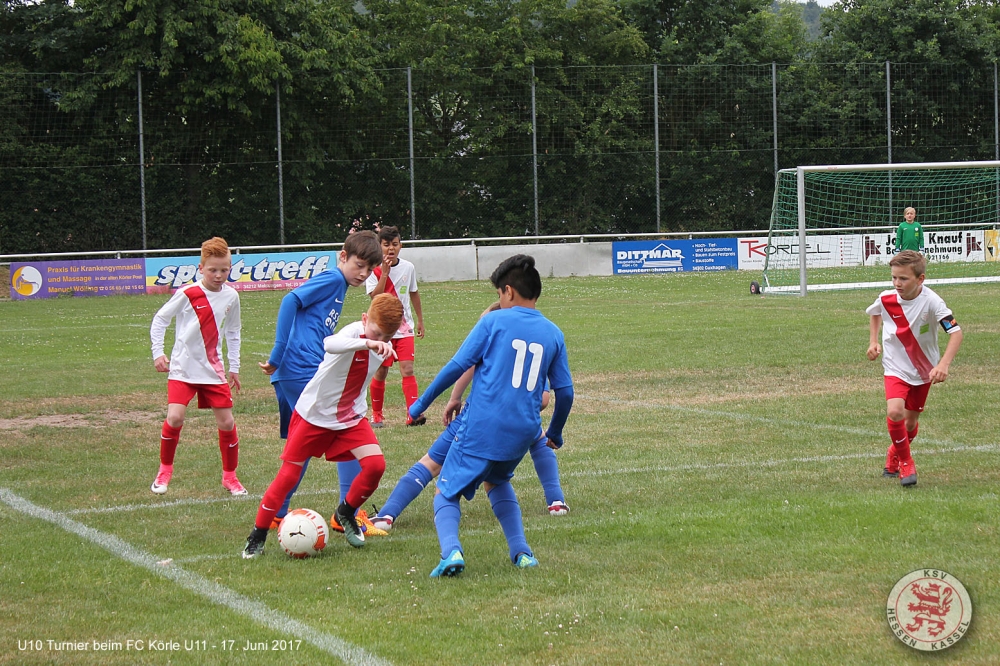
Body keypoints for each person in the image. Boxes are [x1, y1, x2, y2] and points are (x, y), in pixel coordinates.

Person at [407, 255, 574, 577]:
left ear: (508, 291)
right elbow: (565, 392)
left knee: (446, 491)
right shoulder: (553, 333)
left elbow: (457, 366)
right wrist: (555, 432)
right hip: (524, 431)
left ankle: (451, 552)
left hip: (482, 426)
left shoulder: (493, 322)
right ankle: (522, 553)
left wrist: (420, 404)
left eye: (499, 294)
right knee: (496, 481)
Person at [370, 303, 569, 532]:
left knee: (431, 465)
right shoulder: (529, 346)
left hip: (478, 422)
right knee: (528, 448)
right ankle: (555, 502)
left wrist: (432, 403)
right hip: (521, 424)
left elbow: (462, 366)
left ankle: (388, 515)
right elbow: (544, 398)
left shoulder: (497, 339)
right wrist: (458, 397)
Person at [243, 294, 404, 558]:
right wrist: (368, 342)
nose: (381, 340)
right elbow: (330, 343)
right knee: (288, 477)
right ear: (365, 319)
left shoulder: (384, 344)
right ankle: (257, 535)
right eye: (377, 333)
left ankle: (345, 513)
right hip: (314, 416)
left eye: (387, 337)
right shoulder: (353, 333)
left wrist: (381, 344)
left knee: (376, 466)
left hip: (350, 418)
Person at [258, 231, 384, 531]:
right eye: (359, 265)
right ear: (343, 256)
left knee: (300, 447)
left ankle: (278, 513)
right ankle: (348, 515)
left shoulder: (339, 284)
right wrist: (278, 352)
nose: (363, 273)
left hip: (294, 371)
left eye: (369, 269)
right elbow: (290, 300)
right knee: (344, 425)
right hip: (300, 368)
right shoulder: (332, 279)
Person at [149, 237, 245, 496]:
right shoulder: (188, 293)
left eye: (224, 270)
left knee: (227, 422)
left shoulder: (232, 296)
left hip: (213, 370)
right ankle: (164, 471)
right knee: (175, 417)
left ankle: (230, 477)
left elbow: (233, 331)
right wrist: (158, 353)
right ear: (201, 268)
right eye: (213, 270)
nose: (219, 275)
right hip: (183, 368)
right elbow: (160, 320)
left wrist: (234, 366)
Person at [866, 250, 962, 487]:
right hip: (895, 365)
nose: (897, 283)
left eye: (903, 278)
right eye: (894, 278)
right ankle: (906, 461)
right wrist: (873, 341)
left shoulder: (932, 301)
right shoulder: (886, 298)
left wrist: (943, 365)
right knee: (895, 411)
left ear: (920, 279)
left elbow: (956, 333)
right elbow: (875, 313)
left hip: (923, 369)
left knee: (909, 424)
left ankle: (894, 452)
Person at [366, 226, 426, 427]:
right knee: (381, 372)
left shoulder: (408, 267)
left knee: (407, 369)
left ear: (401, 246)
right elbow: (375, 297)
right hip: (382, 331)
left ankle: (413, 414)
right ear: (379, 246)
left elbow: (414, 292)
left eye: (395, 244)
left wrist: (420, 320)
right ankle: (377, 415)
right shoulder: (374, 269)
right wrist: (384, 273)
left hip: (404, 329)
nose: (391, 249)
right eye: (386, 245)